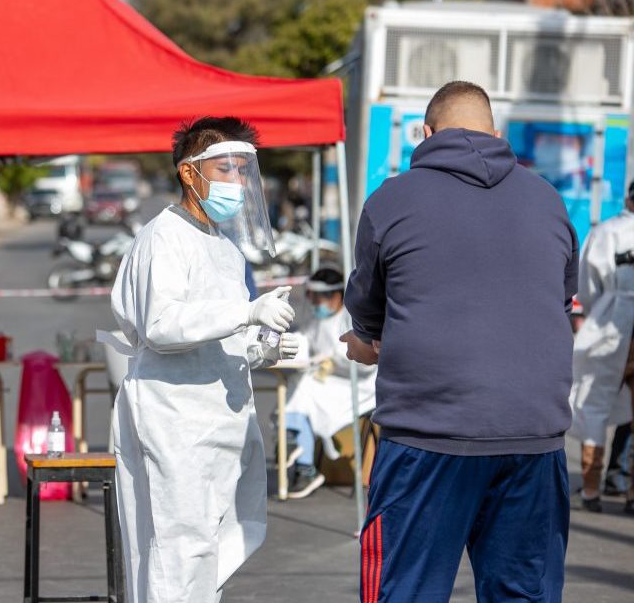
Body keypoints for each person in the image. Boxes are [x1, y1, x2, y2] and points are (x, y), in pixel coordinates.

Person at [342, 81, 578, 602]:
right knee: (525, 595)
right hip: (534, 436)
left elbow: (367, 309)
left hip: (429, 435)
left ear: (425, 134)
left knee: (403, 591)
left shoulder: (393, 199)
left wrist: (366, 340)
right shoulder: (548, 200)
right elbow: (560, 305)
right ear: (496, 134)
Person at [110, 116, 298, 602]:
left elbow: (224, 336)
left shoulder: (225, 249)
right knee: (178, 549)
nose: (236, 182)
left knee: (216, 544)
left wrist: (263, 347)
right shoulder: (164, 237)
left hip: (220, 419)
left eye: (242, 171)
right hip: (175, 419)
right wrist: (246, 311)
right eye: (225, 169)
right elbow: (161, 326)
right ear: (189, 173)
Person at [283, 267, 377, 499]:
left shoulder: (351, 318)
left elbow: (367, 363)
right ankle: (297, 447)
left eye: (316, 297)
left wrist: (333, 361)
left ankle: (299, 453)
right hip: (325, 383)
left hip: (356, 387)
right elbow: (303, 341)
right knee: (299, 383)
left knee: (303, 388)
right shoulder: (315, 319)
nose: (312, 302)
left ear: (336, 296)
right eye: (310, 296)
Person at [569, 181, 634, 512]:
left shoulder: (609, 230)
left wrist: (593, 315)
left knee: (592, 404)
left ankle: (592, 488)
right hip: (616, 321)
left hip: (610, 323)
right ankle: (629, 493)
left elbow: (587, 285)